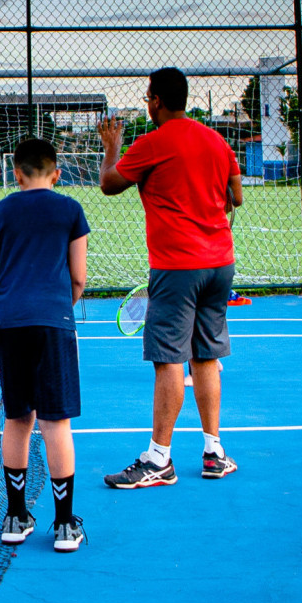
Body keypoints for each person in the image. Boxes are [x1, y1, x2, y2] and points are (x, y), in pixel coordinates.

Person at [97, 67, 242, 487]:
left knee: (169, 361)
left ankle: (159, 459)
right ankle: (215, 452)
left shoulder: (152, 143)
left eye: (148, 97)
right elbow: (236, 196)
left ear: (157, 100)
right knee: (206, 357)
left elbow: (109, 184)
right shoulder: (216, 140)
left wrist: (112, 148)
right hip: (220, 264)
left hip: (178, 266)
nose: (147, 103)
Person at [0, 137, 89, 552]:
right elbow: (77, 278)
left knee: (18, 420)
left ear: (16, 173)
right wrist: (58, 305)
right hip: (54, 323)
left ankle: (15, 516)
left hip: (8, 325)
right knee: (55, 424)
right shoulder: (70, 210)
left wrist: (8, 306)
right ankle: (64, 525)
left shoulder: (2, 211)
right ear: (57, 173)